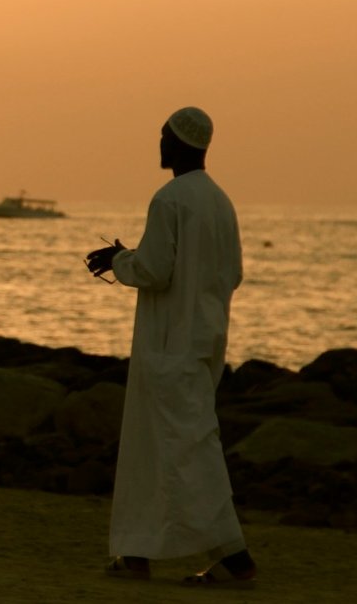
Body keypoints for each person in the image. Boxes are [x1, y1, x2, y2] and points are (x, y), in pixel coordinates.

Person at [85, 106, 256, 587]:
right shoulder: (220, 202)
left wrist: (120, 259)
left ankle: (235, 557)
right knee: (163, 446)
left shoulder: (170, 199)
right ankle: (137, 551)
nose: (158, 143)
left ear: (182, 142)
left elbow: (154, 271)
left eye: (164, 135)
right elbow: (232, 274)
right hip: (204, 341)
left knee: (184, 449)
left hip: (167, 345)